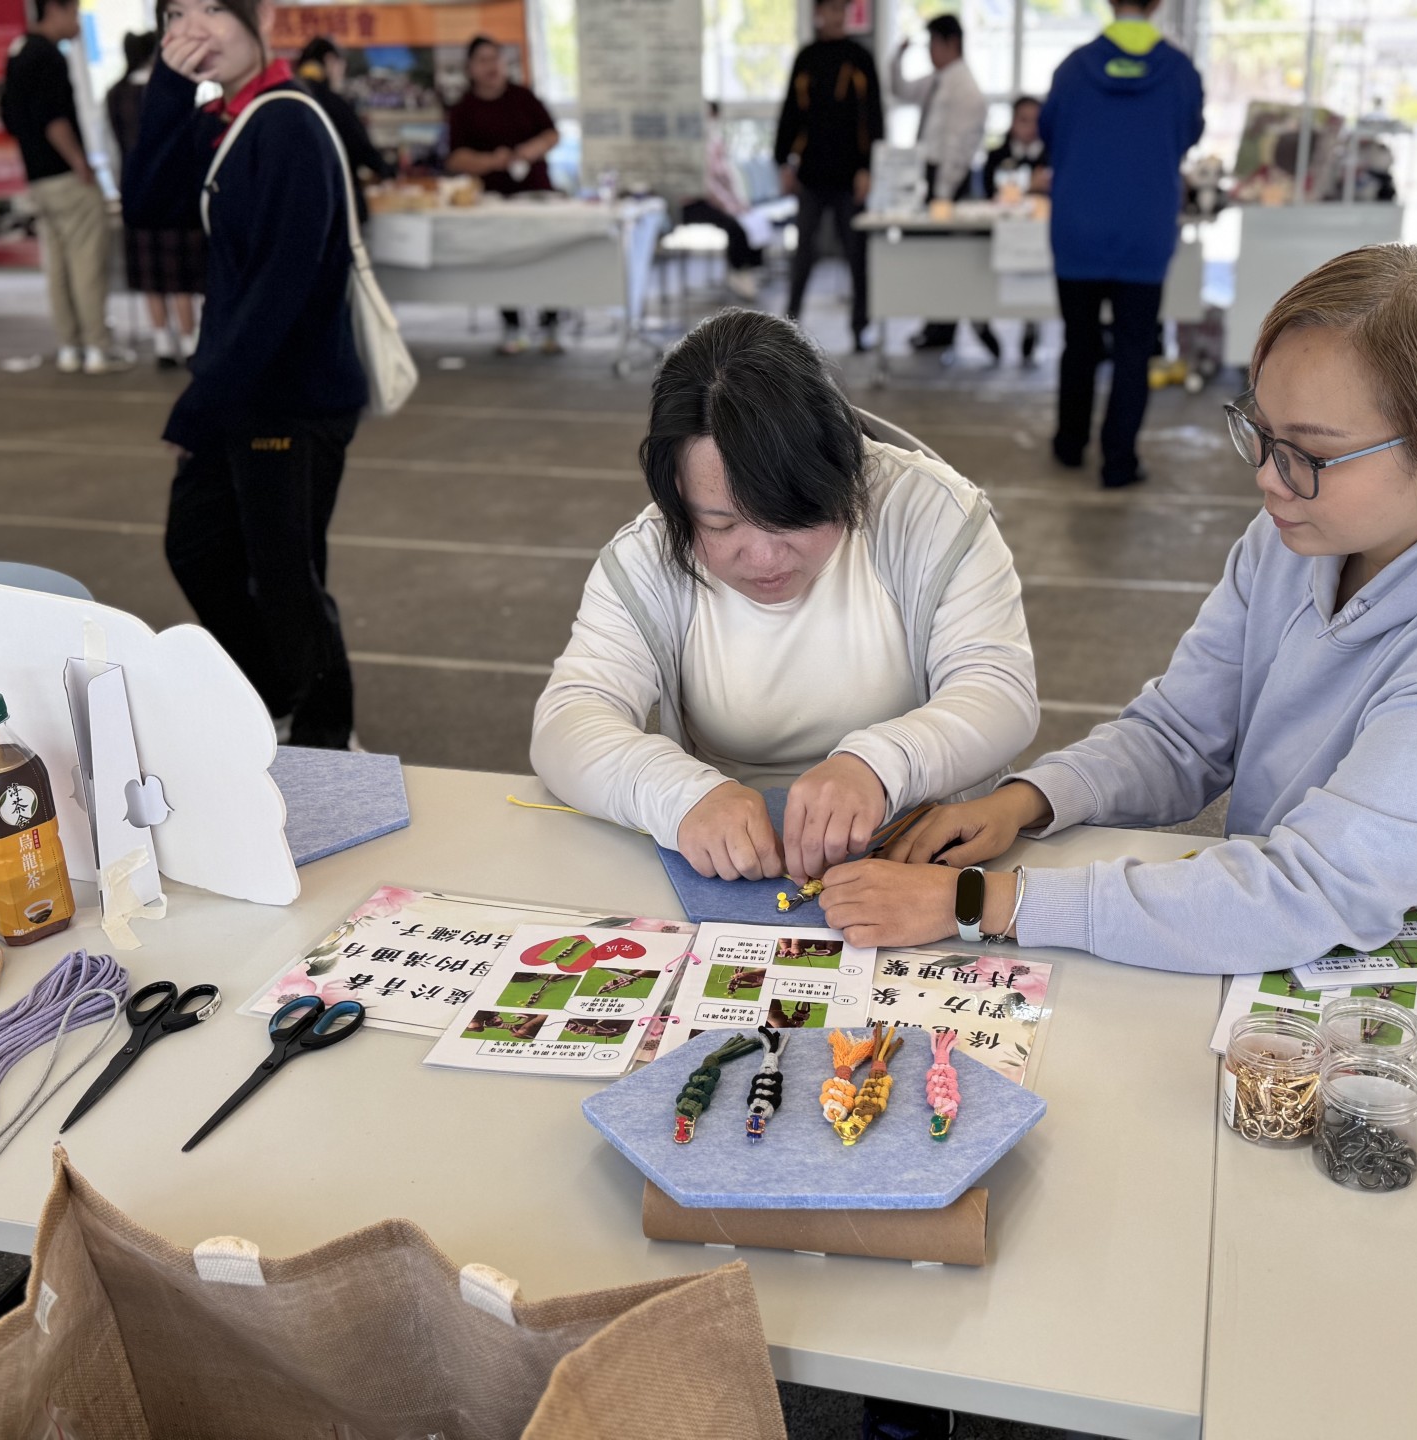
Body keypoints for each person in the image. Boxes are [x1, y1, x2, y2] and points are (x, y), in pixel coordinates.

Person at [818, 244, 1417, 972]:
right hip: (1317, 939)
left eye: (1310, 453)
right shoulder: (1306, 533)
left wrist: (982, 902)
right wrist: (1027, 801)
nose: (1267, 478)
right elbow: (1181, 733)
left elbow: (1306, 892)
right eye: (1261, 432)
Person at [532, 308, 1038, 884]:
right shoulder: (646, 557)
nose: (764, 558)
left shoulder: (930, 514)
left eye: (793, 518)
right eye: (720, 524)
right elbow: (569, 719)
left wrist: (880, 764)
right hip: (735, 869)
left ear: (843, 470)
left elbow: (999, 690)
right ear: (676, 497)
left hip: (918, 853)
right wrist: (679, 794)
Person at [123, 0, 367, 750]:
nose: (195, 28)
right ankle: (276, 691)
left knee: (284, 573)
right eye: (176, 14)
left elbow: (280, 289)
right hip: (240, 386)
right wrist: (168, 88)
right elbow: (146, 202)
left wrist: (200, 405)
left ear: (257, 15)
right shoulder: (225, 118)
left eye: (212, 9)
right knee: (197, 547)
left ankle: (327, 734)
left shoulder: (288, 120)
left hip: (289, 396)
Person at [1037, 0, 1203, 488]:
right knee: (1134, 350)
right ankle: (1119, 462)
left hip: (1077, 227)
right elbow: (1188, 134)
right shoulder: (1180, 73)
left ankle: (1070, 445)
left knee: (1079, 342)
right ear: (1158, 4)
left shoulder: (1073, 69)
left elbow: (1049, 134)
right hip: (1144, 229)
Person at [2, 0, 130, 375]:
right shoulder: (48, 56)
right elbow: (54, 119)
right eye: (74, 12)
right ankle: (97, 349)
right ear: (55, 10)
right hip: (65, 177)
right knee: (87, 264)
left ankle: (69, 347)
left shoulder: (18, 51)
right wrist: (79, 163)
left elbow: (10, 118)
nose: (77, 22)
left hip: (38, 179)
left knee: (57, 267)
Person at [775, 0, 884, 353]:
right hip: (811, 175)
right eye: (831, 10)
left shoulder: (860, 58)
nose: (837, 17)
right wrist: (783, 161)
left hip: (850, 177)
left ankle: (860, 327)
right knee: (803, 254)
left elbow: (873, 116)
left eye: (842, 10)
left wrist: (868, 167)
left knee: (857, 255)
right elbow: (790, 113)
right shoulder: (806, 58)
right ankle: (788, 329)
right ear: (818, 14)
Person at [444, 36, 561, 355]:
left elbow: (552, 134)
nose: (491, 67)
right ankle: (512, 324)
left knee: (547, 258)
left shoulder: (523, 97)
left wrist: (528, 151)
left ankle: (550, 322)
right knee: (505, 262)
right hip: (493, 201)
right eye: (482, 60)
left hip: (536, 195)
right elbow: (455, 158)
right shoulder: (464, 109)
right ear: (470, 68)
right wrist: (492, 161)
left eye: (495, 58)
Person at [105, 31, 203, 369]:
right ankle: (189, 341)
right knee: (180, 275)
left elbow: (111, 146)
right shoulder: (169, 90)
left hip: (134, 192)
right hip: (175, 193)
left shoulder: (115, 94)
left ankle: (162, 342)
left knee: (152, 276)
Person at [891, 14, 988, 353]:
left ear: (952, 43)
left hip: (948, 182)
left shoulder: (966, 88)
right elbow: (901, 90)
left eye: (934, 43)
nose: (930, 51)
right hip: (929, 175)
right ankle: (935, 325)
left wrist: (943, 193)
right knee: (929, 255)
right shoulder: (937, 80)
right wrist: (898, 56)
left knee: (944, 256)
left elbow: (960, 148)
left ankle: (946, 327)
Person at [974, 95, 1047, 363]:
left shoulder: (1053, 153)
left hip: (1038, 241)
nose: (1030, 128)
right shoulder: (997, 155)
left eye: (1036, 121)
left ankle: (1031, 328)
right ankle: (981, 325)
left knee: (1033, 286)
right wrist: (1029, 187)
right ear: (1013, 122)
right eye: (1023, 120)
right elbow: (992, 193)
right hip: (998, 237)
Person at [296, 36, 392, 225]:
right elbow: (361, 147)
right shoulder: (333, 102)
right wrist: (387, 171)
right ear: (330, 61)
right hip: (338, 206)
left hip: (299, 208)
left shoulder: (289, 101)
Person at [680, 101, 765, 303]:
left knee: (754, 219)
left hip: (719, 199)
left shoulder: (715, 141)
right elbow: (707, 185)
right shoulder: (692, 143)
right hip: (697, 201)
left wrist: (739, 202)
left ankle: (749, 271)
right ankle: (738, 271)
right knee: (735, 226)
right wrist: (730, 206)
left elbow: (726, 178)